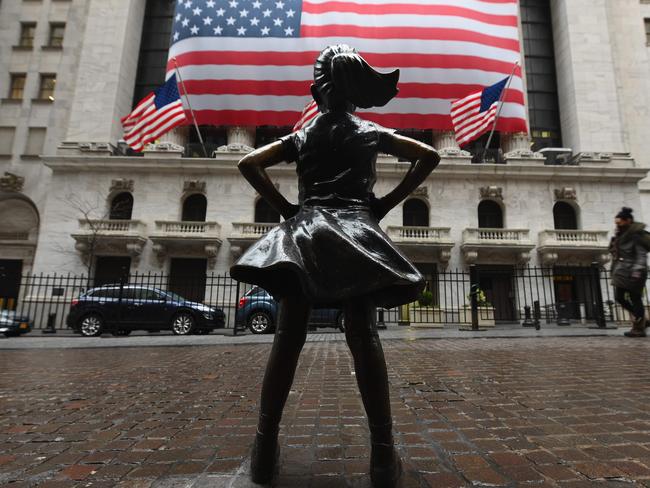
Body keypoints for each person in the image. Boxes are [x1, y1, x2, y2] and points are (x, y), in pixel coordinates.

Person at [230, 44, 439, 487]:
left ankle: (264, 448)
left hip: (305, 235)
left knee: (288, 339)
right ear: (354, 94)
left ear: (317, 92)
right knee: (364, 338)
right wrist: (383, 203)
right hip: (356, 235)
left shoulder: (303, 136)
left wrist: (287, 208)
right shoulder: (369, 132)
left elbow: (249, 162)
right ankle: (382, 455)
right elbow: (429, 155)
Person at [610, 207, 650, 337]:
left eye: (620, 221)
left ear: (628, 221)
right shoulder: (621, 235)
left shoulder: (635, 234)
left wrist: (637, 270)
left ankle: (639, 327)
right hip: (623, 271)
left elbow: (641, 255)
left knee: (635, 298)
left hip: (635, 271)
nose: (617, 224)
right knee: (619, 297)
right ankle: (642, 318)